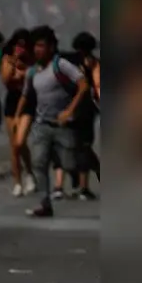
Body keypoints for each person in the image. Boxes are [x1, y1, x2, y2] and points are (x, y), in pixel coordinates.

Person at [15, 26, 91, 218]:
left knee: (70, 163)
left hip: (64, 125)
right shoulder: (33, 71)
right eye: (35, 46)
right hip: (42, 124)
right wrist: (17, 116)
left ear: (51, 47)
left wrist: (69, 111)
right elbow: (26, 95)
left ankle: (85, 178)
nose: (38, 50)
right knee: (39, 163)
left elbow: (83, 85)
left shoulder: (61, 64)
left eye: (41, 45)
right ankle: (44, 203)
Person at [1, 29, 37, 197]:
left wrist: (24, 70)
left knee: (20, 141)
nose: (20, 48)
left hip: (28, 102)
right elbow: (6, 80)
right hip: (12, 101)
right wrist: (15, 62)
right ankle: (18, 181)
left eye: (23, 45)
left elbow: (32, 80)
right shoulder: (8, 59)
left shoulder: (32, 61)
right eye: (18, 45)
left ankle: (29, 173)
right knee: (14, 145)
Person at [70, 31, 101, 199]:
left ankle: (83, 185)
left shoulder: (71, 61)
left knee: (80, 147)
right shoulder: (94, 63)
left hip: (77, 108)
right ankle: (92, 174)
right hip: (85, 108)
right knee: (82, 146)